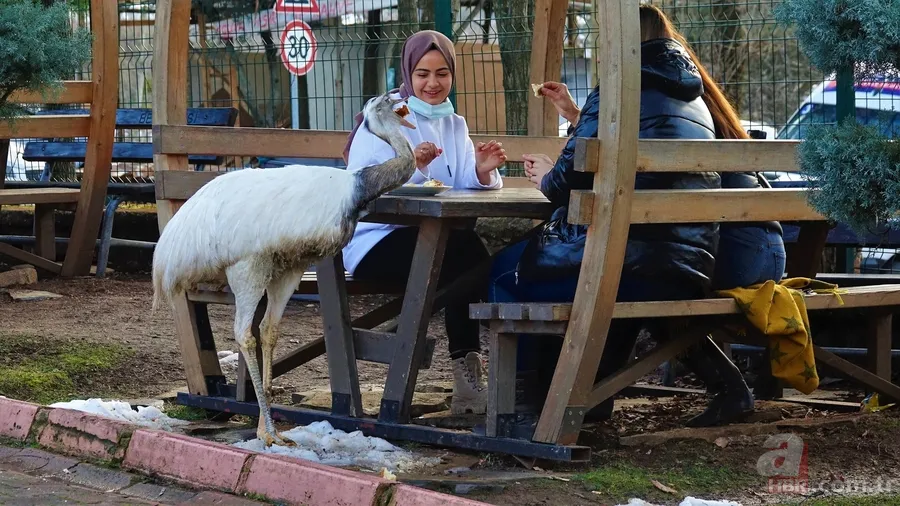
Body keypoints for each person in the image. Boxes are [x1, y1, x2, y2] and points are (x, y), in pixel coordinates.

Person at [490, 4, 754, 427]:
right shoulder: (697, 98)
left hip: (625, 264)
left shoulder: (615, 89)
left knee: (505, 273)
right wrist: (578, 118)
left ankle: (521, 410)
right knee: (600, 266)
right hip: (688, 266)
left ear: (619, 43)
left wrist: (545, 176)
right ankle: (584, 397)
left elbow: (566, 182)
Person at [342, 30, 508, 415]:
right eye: (422, 74)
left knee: (469, 259)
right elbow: (361, 182)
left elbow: (461, 179)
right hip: (375, 238)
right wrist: (410, 165)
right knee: (469, 260)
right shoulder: (387, 116)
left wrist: (482, 170)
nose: (432, 83)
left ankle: (467, 375)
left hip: (432, 235)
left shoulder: (454, 122)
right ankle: (464, 374)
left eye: (442, 73)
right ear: (407, 73)